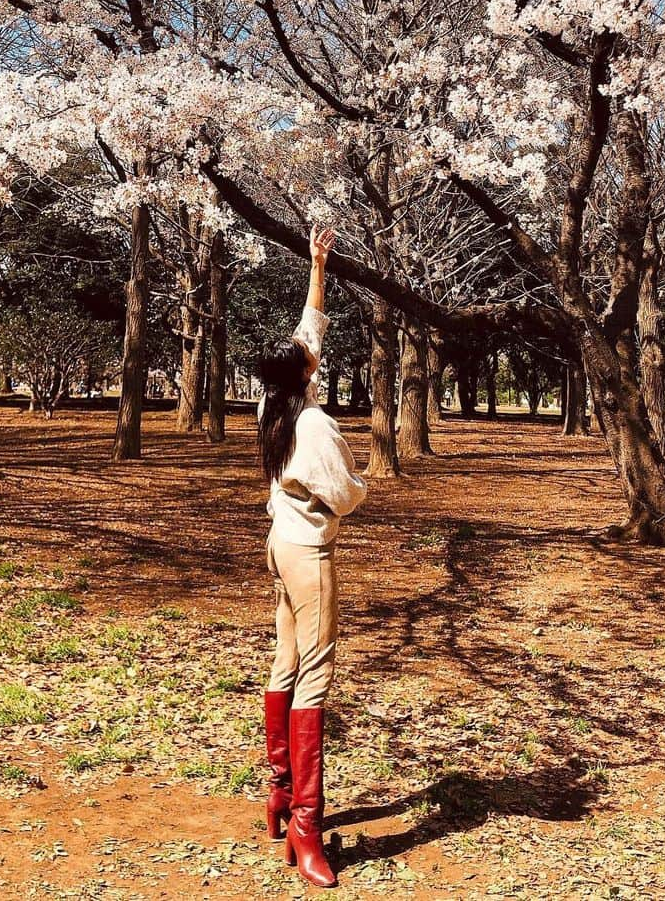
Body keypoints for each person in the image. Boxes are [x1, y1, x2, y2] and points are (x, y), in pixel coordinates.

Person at [257, 226, 368, 889]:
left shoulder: (274, 405)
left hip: (277, 544)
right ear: (307, 375)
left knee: (285, 662)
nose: (315, 357)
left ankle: (277, 793)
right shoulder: (315, 424)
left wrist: (317, 265)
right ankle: (306, 828)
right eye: (311, 358)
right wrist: (364, 485)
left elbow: (310, 328)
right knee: (316, 678)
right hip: (308, 554)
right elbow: (345, 494)